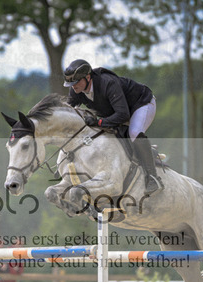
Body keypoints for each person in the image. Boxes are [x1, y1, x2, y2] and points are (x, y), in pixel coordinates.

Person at [63, 59, 161, 194]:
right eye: (71, 83)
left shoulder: (108, 83)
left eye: (76, 82)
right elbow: (68, 110)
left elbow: (123, 115)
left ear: (88, 77)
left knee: (134, 133)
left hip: (141, 104)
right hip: (118, 112)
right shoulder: (76, 90)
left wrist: (98, 122)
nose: (73, 86)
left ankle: (152, 177)